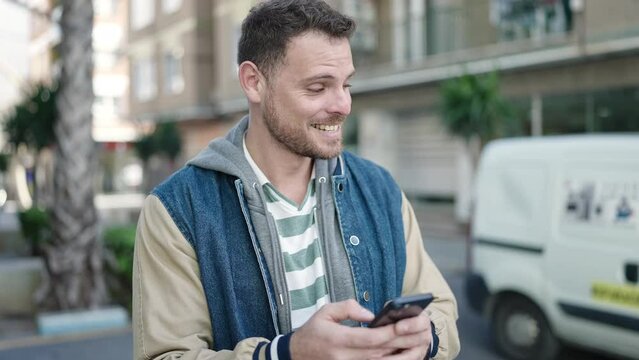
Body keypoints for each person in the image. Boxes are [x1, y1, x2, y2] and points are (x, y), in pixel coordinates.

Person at [132, 0, 460, 359]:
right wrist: (285, 353)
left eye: (345, 85)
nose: (343, 105)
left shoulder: (380, 189)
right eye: (318, 87)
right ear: (254, 82)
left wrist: (426, 338)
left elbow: (441, 306)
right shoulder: (177, 211)